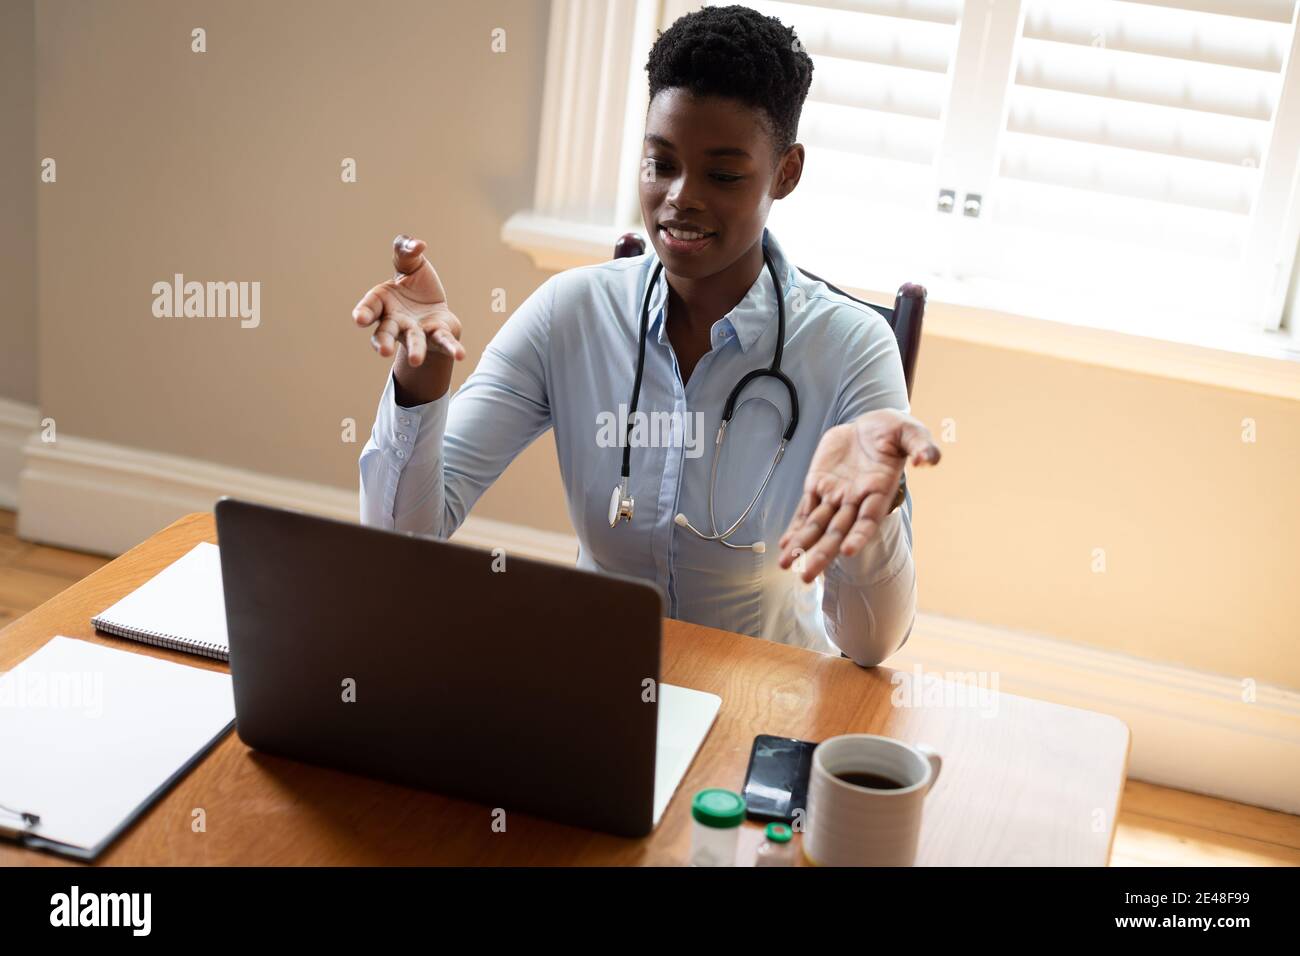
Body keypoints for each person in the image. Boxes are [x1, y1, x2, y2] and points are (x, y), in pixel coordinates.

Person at [354, 4, 941, 665]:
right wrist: (420, 385)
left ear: (786, 172)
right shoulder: (570, 313)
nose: (679, 197)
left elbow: (870, 646)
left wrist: (880, 506)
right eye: (660, 163)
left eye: (722, 174)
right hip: (594, 688)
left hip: (758, 704)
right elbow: (402, 541)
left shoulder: (852, 348)